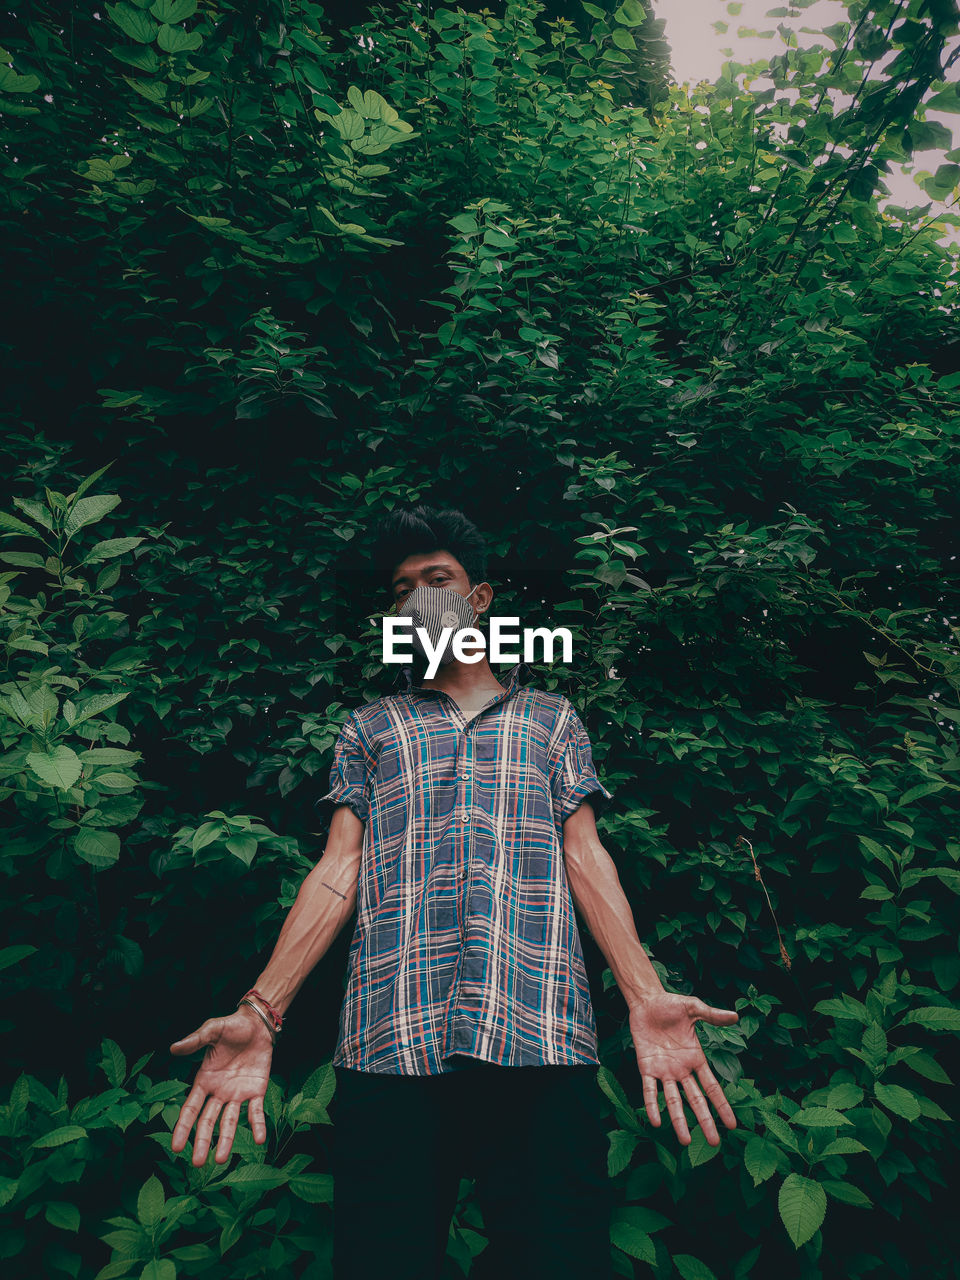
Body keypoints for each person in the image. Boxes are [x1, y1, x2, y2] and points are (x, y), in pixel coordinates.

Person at [168, 505, 741, 1280]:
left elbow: (585, 856)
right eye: (402, 588)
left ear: (479, 600)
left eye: (438, 580)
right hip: (390, 1039)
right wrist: (261, 1008)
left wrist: (643, 995)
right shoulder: (372, 728)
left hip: (538, 1029)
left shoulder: (551, 720)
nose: (418, 598)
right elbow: (340, 867)